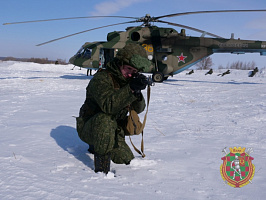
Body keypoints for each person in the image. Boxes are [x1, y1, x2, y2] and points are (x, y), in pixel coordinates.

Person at [76, 43, 152, 174]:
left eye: (134, 72)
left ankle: (101, 144)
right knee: (104, 120)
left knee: (126, 159)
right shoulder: (102, 78)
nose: (130, 75)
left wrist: (137, 93)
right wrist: (130, 89)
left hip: (114, 130)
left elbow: (139, 109)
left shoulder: (127, 81)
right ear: (120, 63)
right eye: (128, 69)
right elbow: (108, 106)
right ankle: (102, 172)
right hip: (91, 128)